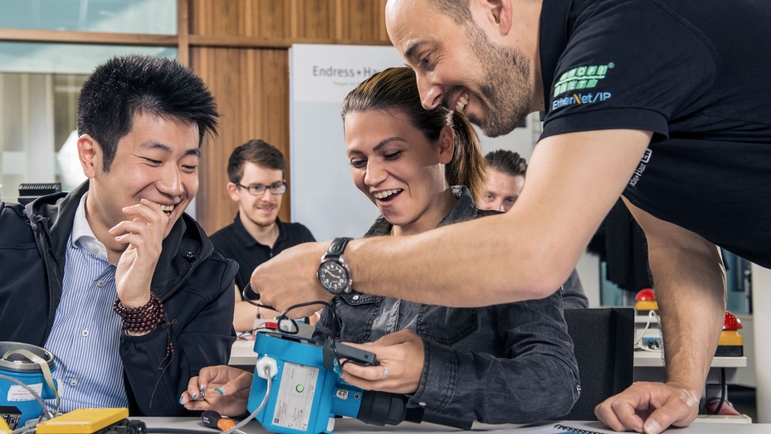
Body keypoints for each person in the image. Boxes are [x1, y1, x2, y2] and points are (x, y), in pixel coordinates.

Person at [250, 1, 771, 432]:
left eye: (427, 57)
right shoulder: (606, 89)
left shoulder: (620, 29)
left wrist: (333, 262)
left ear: (495, 9)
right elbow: (678, 244)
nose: (429, 91)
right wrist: (684, 384)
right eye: (359, 160)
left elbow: (533, 257)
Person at [180, 67, 580, 424]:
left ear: (444, 144)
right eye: (358, 161)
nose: (372, 176)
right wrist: (256, 391)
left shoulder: (502, 243)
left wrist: (428, 372)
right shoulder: (345, 262)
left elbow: (555, 384)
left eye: (391, 153)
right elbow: (327, 380)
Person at [0, 55, 237, 416]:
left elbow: (185, 413)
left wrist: (140, 307)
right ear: (91, 155)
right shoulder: (13, 236)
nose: (175, 187)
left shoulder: (209, 275)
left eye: (189, 166)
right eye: (154, 161)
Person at [210, 139, 315, 332]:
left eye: (275, 186)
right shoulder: (216, 248)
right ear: (235, 191)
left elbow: (326, 304)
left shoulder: (300, 236)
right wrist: (298, 304)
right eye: (256, 187)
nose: (268, 198)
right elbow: (229, 317)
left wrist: (255, 309)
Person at [481, 149, 588, 309]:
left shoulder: (544, 245)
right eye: (490, 196)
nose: (499, 208)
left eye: (510, 200)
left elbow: (574, 301)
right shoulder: (450, 237)